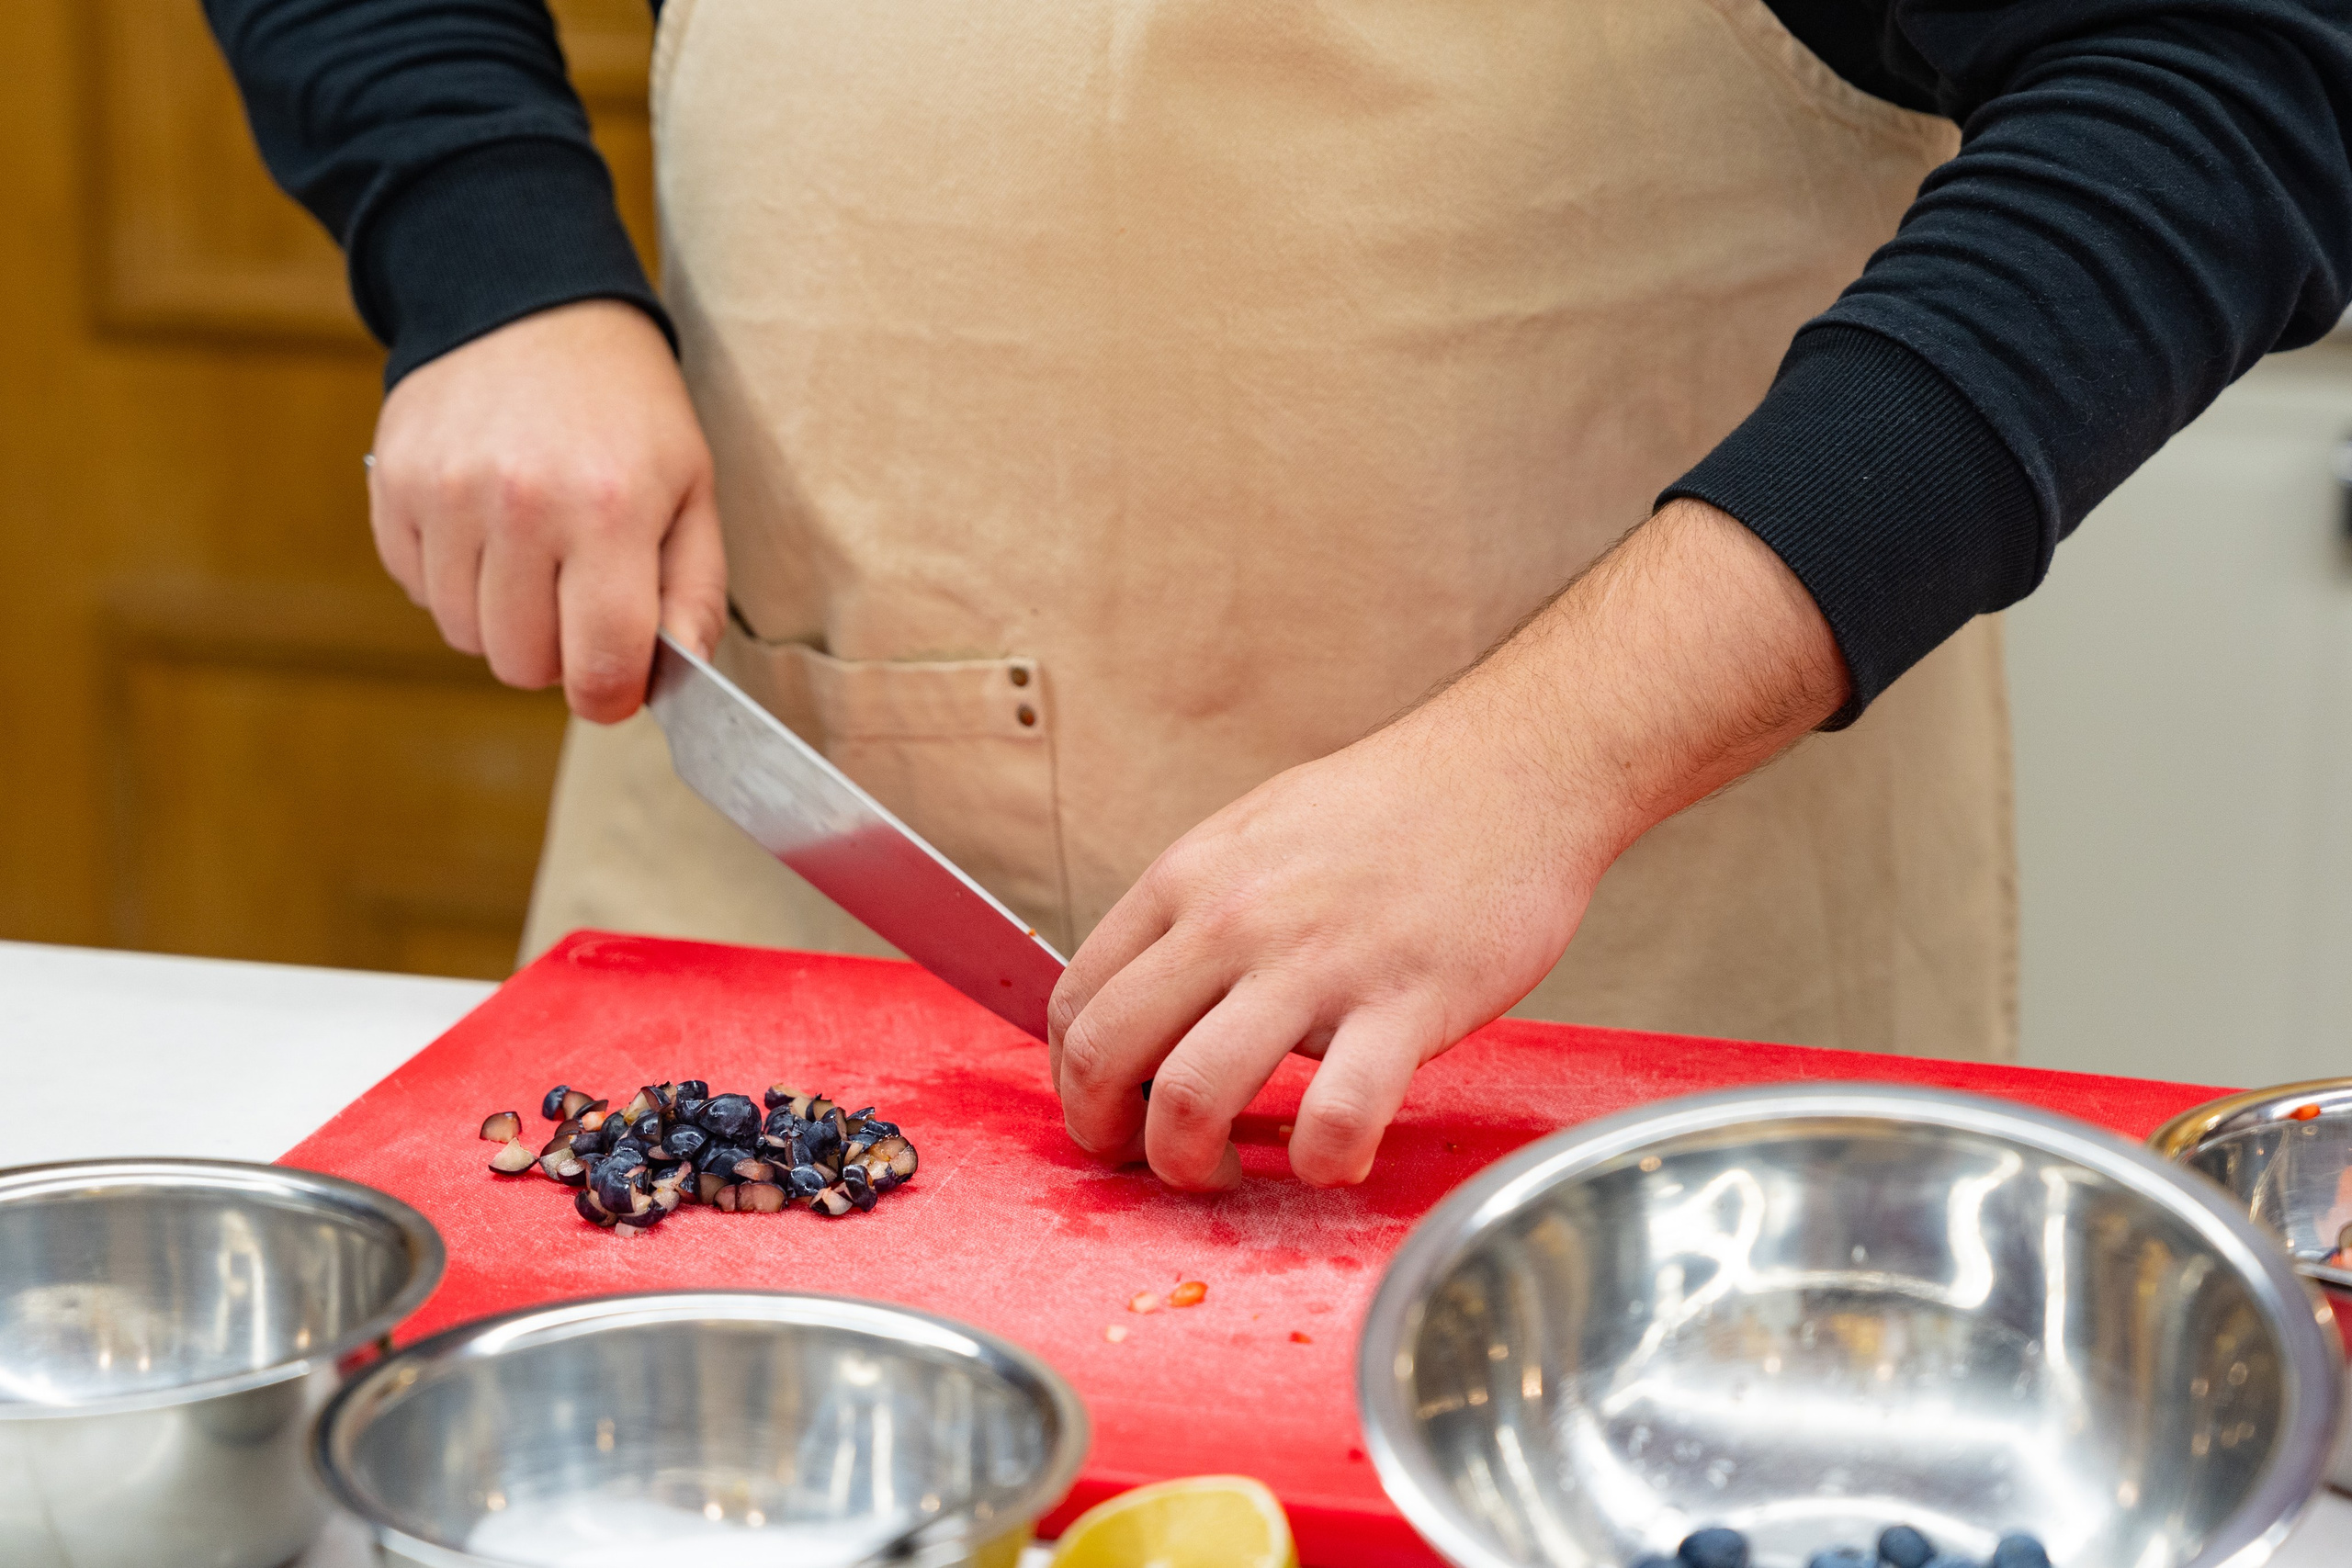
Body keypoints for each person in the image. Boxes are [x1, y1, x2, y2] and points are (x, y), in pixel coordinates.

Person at [210, 0, 2352, 1190]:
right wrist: (480, 250)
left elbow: (2238, 64)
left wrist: (1553, 753)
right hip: (803, 909)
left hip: (1599, 1017)